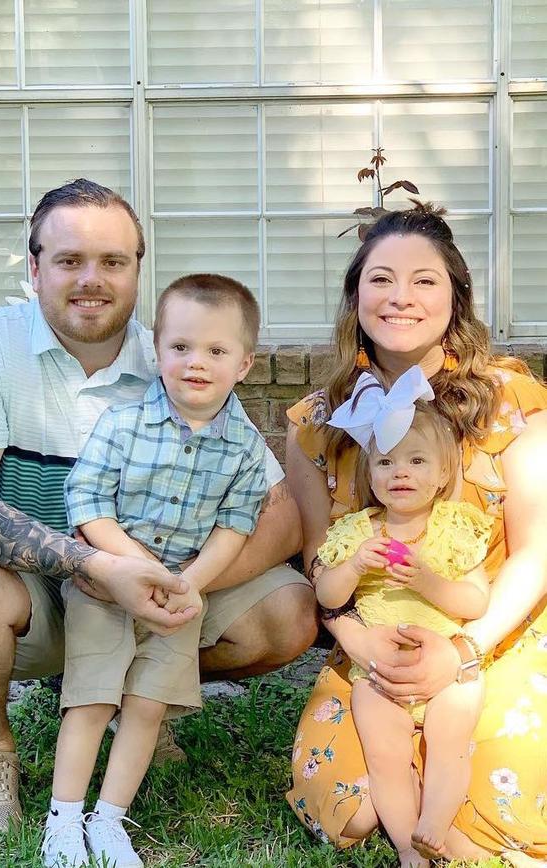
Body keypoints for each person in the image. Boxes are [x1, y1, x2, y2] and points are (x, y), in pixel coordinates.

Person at [0, 178, 316, 832]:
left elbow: (280, 514)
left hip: (149, 594)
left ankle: (139, 697)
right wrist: (101, 570)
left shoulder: (179, 358)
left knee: (285, 612)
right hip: (29, 595)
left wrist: (175, 587)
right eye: (69, 261)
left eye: (113, 261)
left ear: (136, 272)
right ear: (35, 269)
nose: (91, 279)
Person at [286, 201, 547, 864]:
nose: (401, 297)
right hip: (379, 637)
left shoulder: (513, 402)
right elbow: (322, 561)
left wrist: (461, 650)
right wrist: (361, 644)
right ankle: (415, 833)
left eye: (424, 280)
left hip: (495, 634)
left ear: (455, 298)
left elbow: (538, 551)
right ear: (355, 296)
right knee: (344, 806)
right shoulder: (319, 423)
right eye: (381, 278)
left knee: (510, 796)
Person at [41, 274, 267, 868]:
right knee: (91, 700)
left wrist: (189, 585)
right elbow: (88, 503)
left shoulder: (244, 446)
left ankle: (110, 819)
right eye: (182, 347)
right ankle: (63, 819)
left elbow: (235, 525)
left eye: (217, 351)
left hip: (179, 600)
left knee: (146, 706)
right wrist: (141, 569)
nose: (197, 363)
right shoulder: (121, 424)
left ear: (244, 364)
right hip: (106, 587)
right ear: (158, 350)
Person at [316, 366, 492, 868]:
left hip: (448, 669)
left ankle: (433, 823)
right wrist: (351, 566)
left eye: (417, 461)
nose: (401, 473)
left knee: (450, 743)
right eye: (387, 462)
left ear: (442, 474)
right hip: (379, 672)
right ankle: (405, 846)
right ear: (370, 474)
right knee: (386, 754)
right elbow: (327, 595)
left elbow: (475, 602)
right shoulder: (357, 531)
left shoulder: (454, 528)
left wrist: (426, 581)